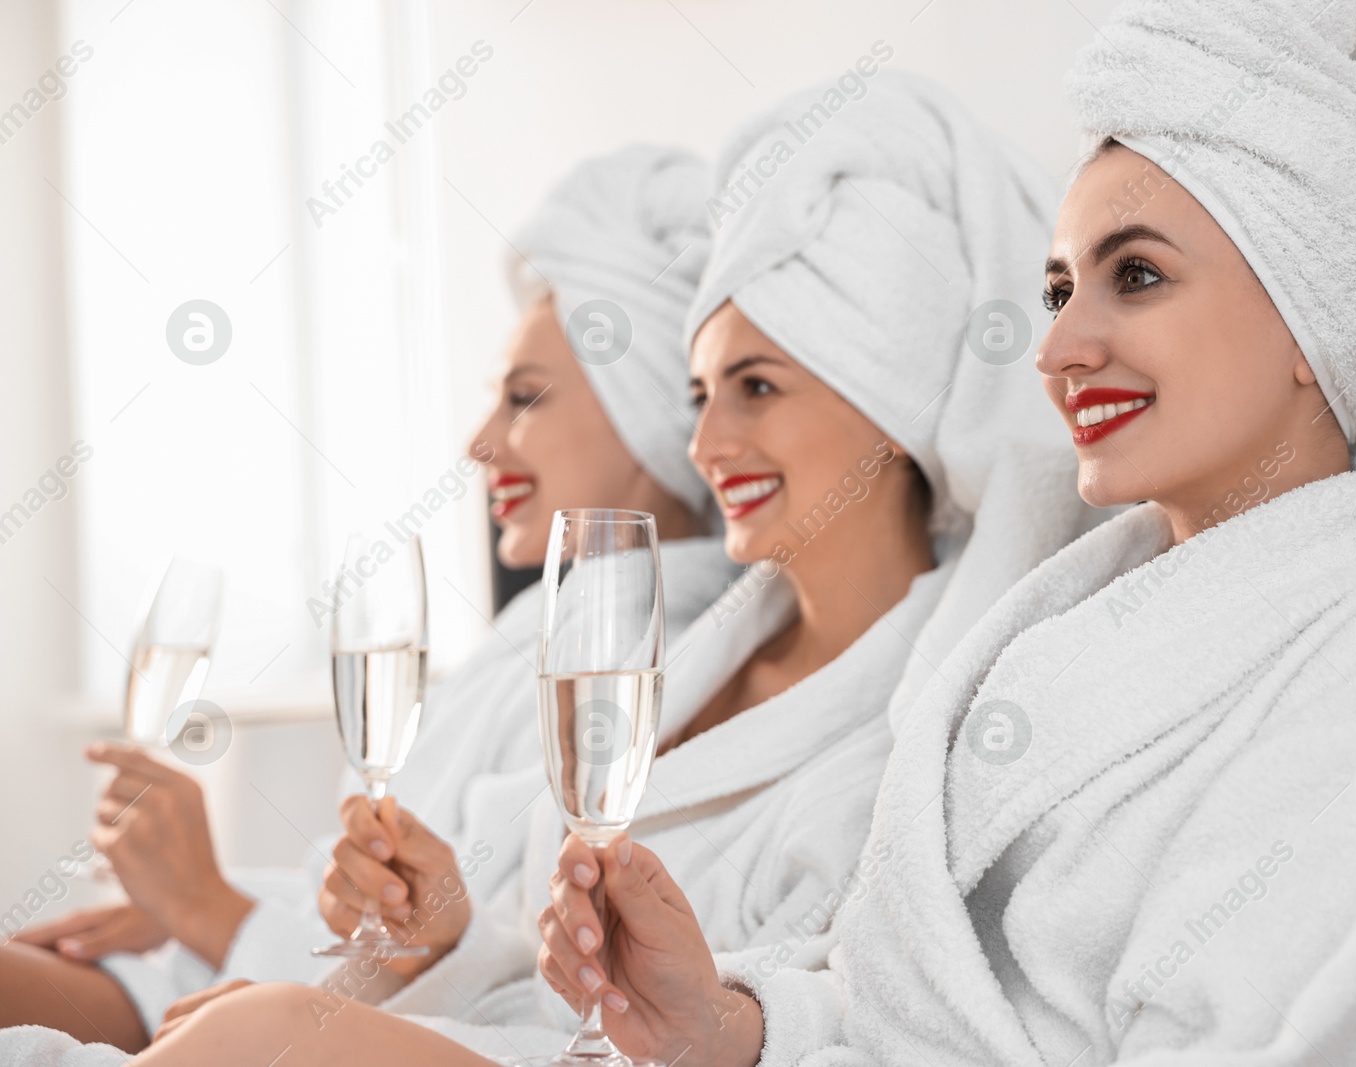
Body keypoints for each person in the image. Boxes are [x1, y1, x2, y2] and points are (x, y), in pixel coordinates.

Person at [512, 2, 1356, 1064]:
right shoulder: (1062, 621)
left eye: (1136, 275)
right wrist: (724, 1021)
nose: (1058, 346)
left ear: (1312, 309)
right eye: (1057, 288)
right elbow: (902, 994)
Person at [88, 71, 1106, 1067]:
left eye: (756, 386)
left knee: (252, 1032)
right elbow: (547, 994)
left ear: (893, 399)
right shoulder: (699, 646)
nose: (708, 439)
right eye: (702, 390)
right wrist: (441, 939)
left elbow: (832, 1013)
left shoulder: (931, 724)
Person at [0, 144, 739, 1055]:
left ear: (648, 413)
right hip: (252, 976)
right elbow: (414, 901)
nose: (480, 443)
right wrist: (199, 906)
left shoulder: (635, 655)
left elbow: (510, 975)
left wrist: (209, 903)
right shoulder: (542, 638)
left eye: (525, 398)